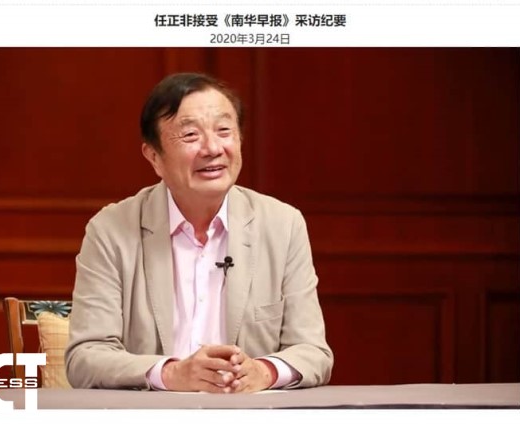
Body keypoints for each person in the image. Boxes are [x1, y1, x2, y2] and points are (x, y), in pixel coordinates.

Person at [65, 72, 333, 393]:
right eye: (190, 135)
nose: (213, 148)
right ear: (154, 157)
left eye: (224, 131)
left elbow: (313, 352)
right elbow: (86, 357)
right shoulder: (111, 230)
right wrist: (172, 374)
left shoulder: (282, 224)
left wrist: (263, 372)